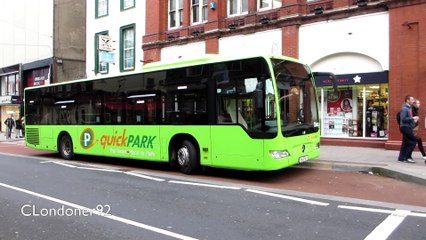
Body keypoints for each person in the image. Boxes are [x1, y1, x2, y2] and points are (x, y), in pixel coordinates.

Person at [397, 95, 418, 163]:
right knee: (413, 142)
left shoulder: (408, 108)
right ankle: (407, 157)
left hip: (406, 127)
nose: (413, 101)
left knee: (405, 142)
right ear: (407, 100)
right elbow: (403, 119)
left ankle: (401, 157)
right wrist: (412, 118)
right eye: (411, 100)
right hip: (405, 127)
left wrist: (413, 121)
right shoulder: (405, 109)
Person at [408, 99, 426, 164]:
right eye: (418, 103)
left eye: (419, 103)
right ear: (414, 104)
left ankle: (424, 155)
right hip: (411, 129)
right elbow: (410, 118)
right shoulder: (412, 110)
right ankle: (408, 156)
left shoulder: (415, 110)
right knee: (415, 141)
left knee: (417, 141)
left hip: (414, 129)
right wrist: (414, 120)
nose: (419, 105)